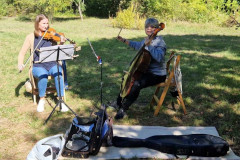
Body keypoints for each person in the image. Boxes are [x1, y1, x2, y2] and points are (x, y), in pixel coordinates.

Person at [114, 18, 167, 119]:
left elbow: (159, 58)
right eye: (146, 26)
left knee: (137, 84)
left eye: (151, 27)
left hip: (158, 75)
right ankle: (118, 102)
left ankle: (123, 109)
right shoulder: (147, 39)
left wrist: (149, 46)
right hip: (146, 71)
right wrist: (124, 40)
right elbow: (138, 45)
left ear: (156, 28)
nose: (148, 28)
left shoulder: (160, 42)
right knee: (126, 78)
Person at [18, 14, 69, 112]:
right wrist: (20, 64)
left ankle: (61, 100)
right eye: (43, 23)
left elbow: (58, 49)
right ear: (37, 24)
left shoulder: (51, 34)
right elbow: (22, 53)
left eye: (47, 23)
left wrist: (61, 42)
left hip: (52, 63)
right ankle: (42, 99)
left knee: (58, 74)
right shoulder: (30, 37)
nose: (46, 26)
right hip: (38, 65)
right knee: (43, 75)